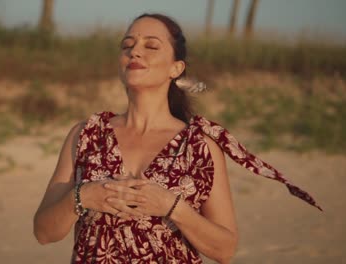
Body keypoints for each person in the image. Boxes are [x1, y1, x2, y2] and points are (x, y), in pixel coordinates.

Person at [33, 13, 321, 264]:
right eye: (127, 45)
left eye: (151, 46)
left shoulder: (198, 145)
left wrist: (171, 207)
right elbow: (44, 233)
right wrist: (82, 197)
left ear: (176, 68)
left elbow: (225, 251)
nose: (135, 52)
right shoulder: (86, 135)